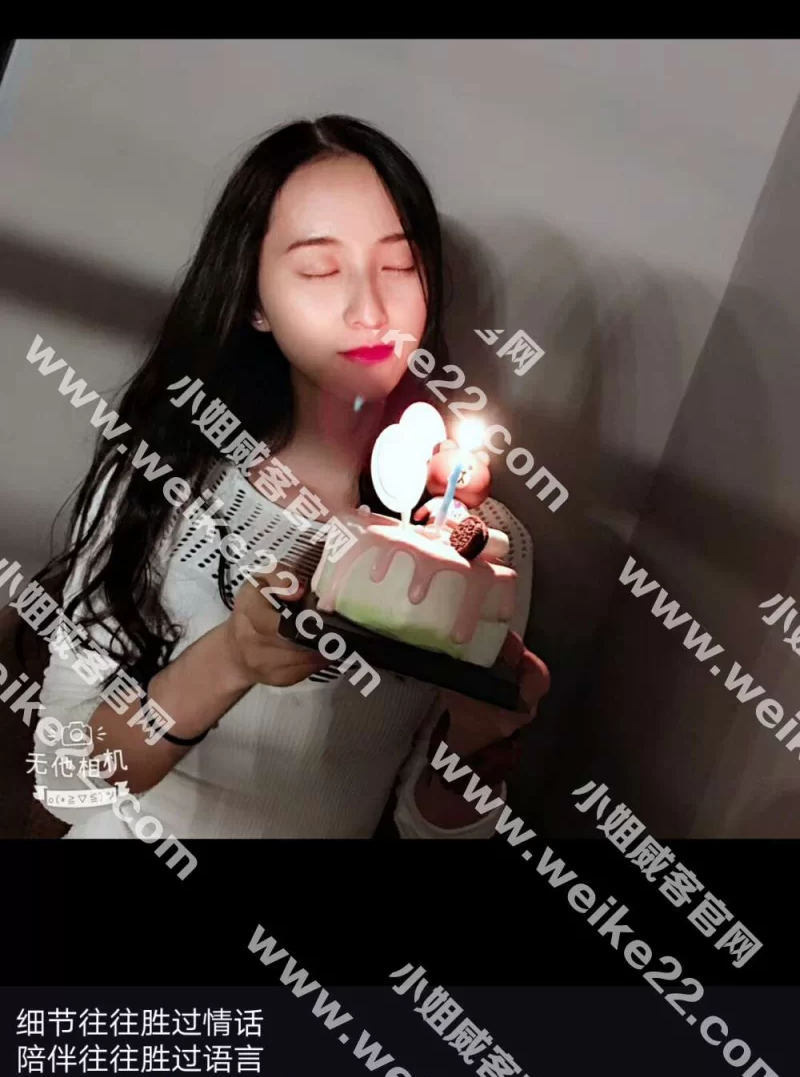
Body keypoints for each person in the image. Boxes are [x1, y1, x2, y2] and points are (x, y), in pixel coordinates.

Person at [30, 114, 549, 839]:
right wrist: (230, 660)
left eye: (400, 266)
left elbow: (427, 832)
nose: (371, 311)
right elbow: (60, 774)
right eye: (319, 270)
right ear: (254, 301)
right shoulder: (167, 477)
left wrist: (477, 739)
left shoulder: (483, 546)